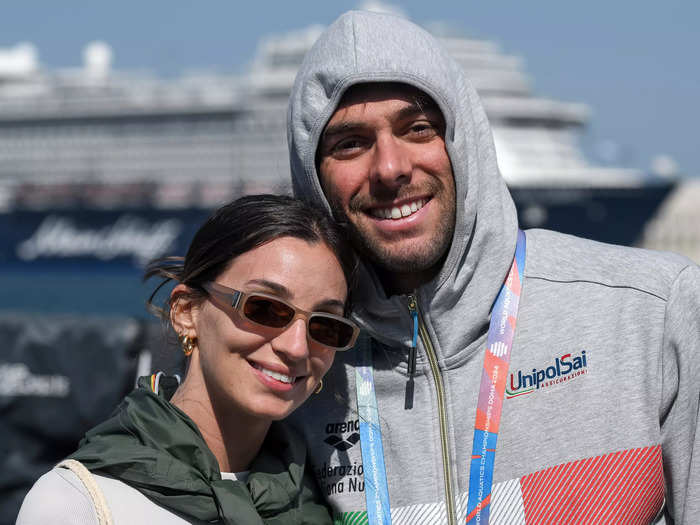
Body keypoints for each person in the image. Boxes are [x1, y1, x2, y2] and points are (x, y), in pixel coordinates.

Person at [285, 10, 700, 525]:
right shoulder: (299, 366)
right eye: (350, 143)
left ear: (465, 140)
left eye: (418, 128)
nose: (390, 168)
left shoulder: (651, 314)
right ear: (312, 175)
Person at [16, 194, 360, 525]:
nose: (297, 347)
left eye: (326, 327)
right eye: (265, 308)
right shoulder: (78, 504)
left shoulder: (328, 499)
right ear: (186, 312)